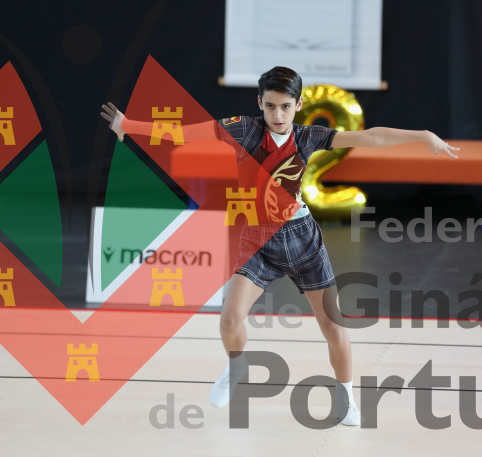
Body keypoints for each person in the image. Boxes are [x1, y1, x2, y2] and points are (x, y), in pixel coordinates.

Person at [100, 66, 458, 426]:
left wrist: (423, 134)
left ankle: (345, 395)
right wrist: (128, 126)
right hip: (258, 240)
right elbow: (183, 133)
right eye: (270, 106)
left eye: (286, 106)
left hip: (303, 241)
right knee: (229, 320)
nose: (277, 115)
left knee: (334, 328)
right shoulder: (243, 129)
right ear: (259, 102)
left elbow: (371, 137)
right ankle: (237, 368)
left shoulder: (308, 137)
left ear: (299, 104)